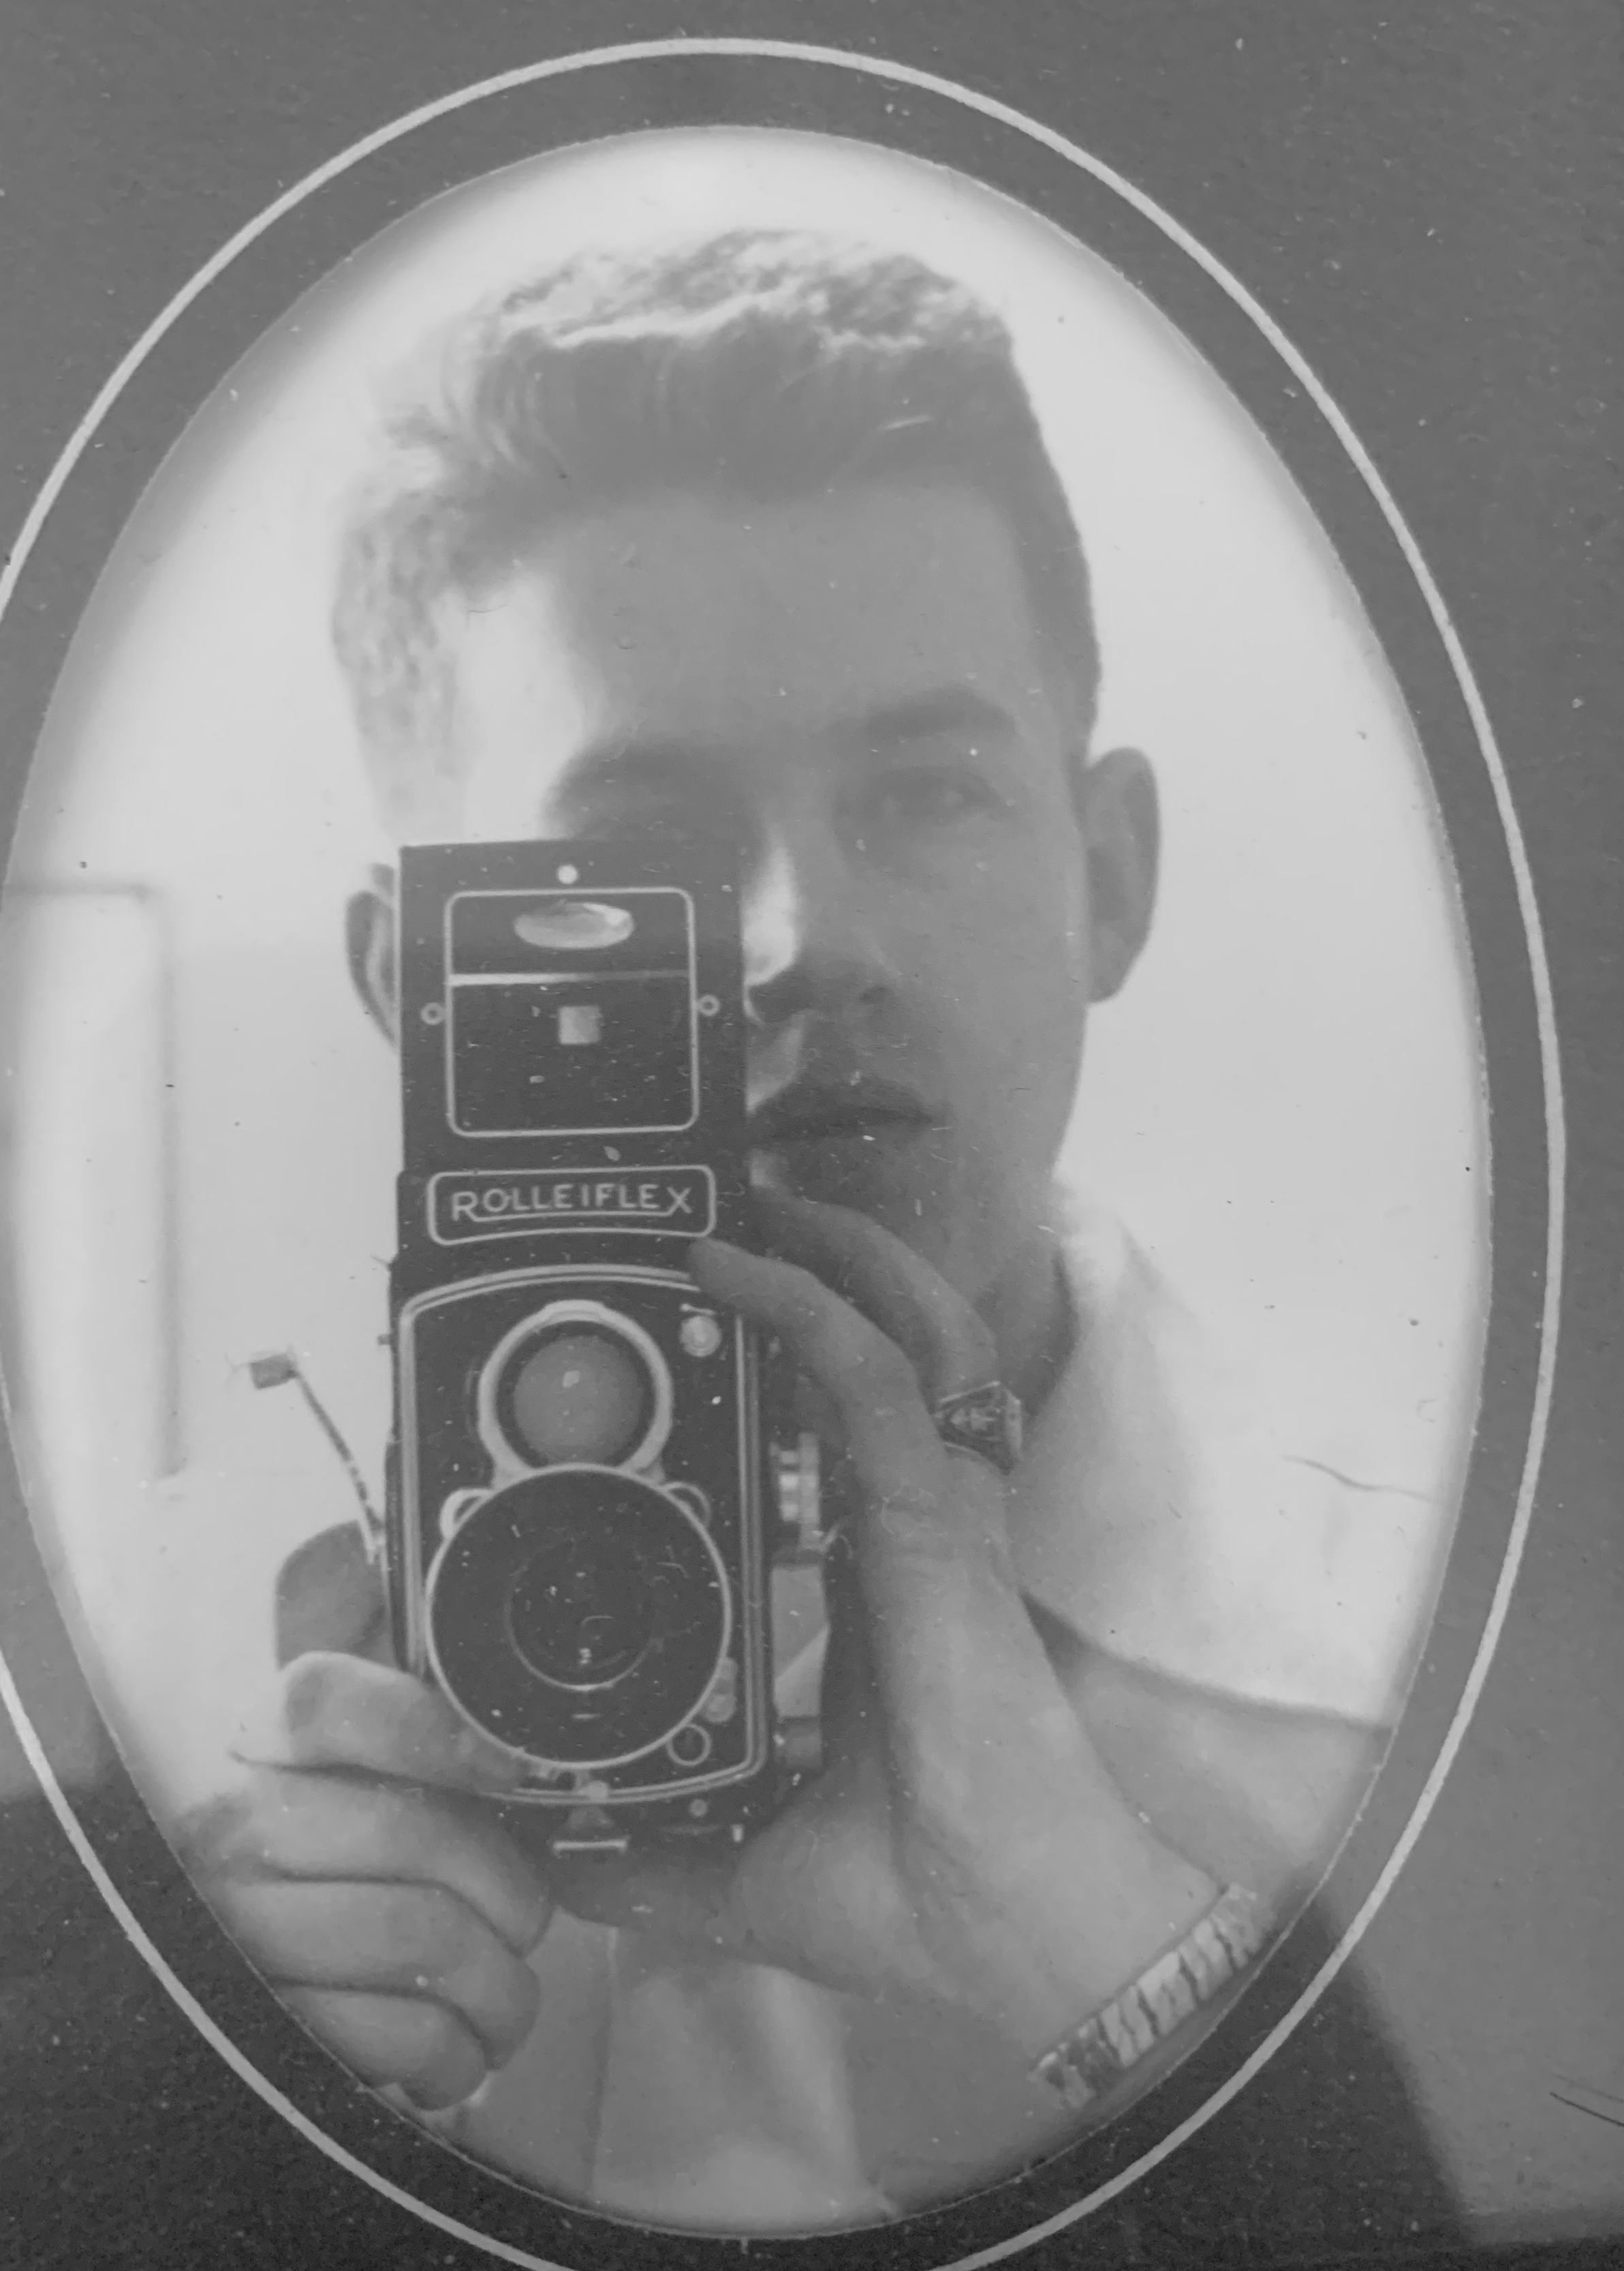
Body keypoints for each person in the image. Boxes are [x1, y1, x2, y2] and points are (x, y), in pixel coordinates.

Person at [180, 229, 1449, 2231]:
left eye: (924, 792)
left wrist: (1104, 1944)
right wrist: (219, 2120)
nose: (798, 942)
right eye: (639, 852)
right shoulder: (199, 1752)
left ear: (1104, 873)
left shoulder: (1443, 1663)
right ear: (417, 982)